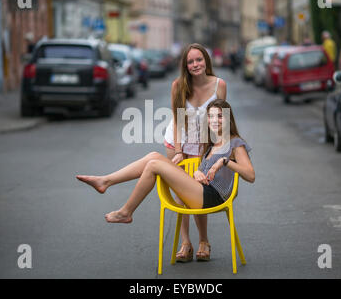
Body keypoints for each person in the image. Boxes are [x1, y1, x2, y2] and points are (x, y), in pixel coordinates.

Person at [76, 99, 255, 256]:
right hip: (201, 191)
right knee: (153, 156)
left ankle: (126, 212)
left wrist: (225, 161)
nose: (215, 121)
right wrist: (197, 173)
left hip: (212, 197)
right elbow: (203, 173)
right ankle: (105, 181)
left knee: (154, 165)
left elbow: (250, 175)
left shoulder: (235, 143)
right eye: (211, 117)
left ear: (228, 119)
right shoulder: (211, 144)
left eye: (220, 117)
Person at [164, 43, 227, 262]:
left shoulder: (219, 85)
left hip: (205, 146)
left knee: (198, 193)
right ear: (185, 65)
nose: (195, 64)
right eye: (190, 61)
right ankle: (185, 244)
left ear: (206, 61)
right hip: (179, 142)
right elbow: (177, 121)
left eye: (198, 59)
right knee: (181, 194)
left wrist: (212, 152)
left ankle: (203, 241)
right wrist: (179, 151)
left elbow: (221, 122)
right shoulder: (178, 85)